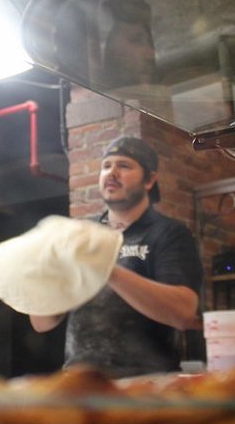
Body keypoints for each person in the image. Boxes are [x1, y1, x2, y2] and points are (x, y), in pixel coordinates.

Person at [29, 136, 203, 377]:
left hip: (146, 384)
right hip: (80, 382)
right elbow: (41, 323)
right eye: (106, 166)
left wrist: (107, 269)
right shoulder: (82, 234)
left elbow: (183, 313)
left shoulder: (168, 233)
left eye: (124, 166)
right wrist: (46, 277)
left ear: (150, 180)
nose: (111, 173)